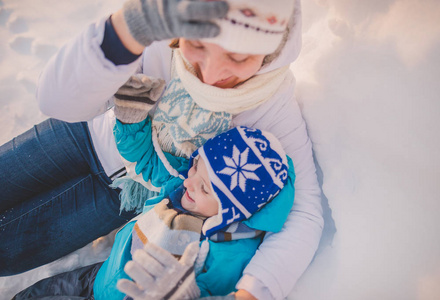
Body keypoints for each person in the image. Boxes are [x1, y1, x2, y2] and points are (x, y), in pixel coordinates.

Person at [0, 0, 324, 299]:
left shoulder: (273, 105)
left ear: (272, 46)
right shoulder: (161, 26)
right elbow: (56, 100)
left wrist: (248, 294)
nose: (210, 76)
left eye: (238, 58)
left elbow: (305, 214)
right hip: (87, 131)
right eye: (196, 45)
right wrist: (130, 29)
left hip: (123, 197)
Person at [13, 102, 295, 299]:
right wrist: (130, 122)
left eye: (206, 188)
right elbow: (147, 160)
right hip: (99, 276)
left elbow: (210, 291)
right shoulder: (183, 190)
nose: (189, 181)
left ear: (233, 211)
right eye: (196, 167)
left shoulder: (227, 253)